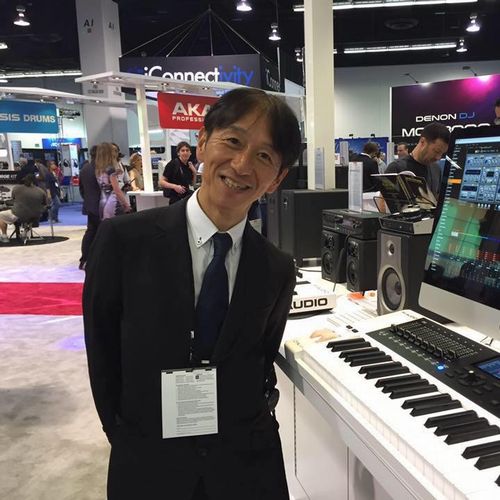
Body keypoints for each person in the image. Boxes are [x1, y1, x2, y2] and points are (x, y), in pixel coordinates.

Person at [83, 87, 301, 500]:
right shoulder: (124, 242)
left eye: (264, 156)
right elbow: (102, 351)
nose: (242, 165)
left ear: (277, 179)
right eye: (233, 141)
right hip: (149, 463)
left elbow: (259, 361)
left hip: (246, 467)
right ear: (202, 143)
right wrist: (125, 436)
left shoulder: (275, 268)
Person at [386, 122, 450, 199]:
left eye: (442, 153)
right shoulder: (396, 168)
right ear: (423, 142)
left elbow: (437, 197)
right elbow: (383, 203)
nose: (438, 157)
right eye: (436, 151)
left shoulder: (436, 169)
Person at [0, 173, 47, 243]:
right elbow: (45, 204)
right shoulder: (41, 191)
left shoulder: (17, 188)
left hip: (19, 215)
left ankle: (4, 236)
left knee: (1, 215)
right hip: (36, 216)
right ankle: (25, 232)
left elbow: (13, 199)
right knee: (29, 215)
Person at [95, 142, 132, 220]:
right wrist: (126, 204)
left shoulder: (99, 169)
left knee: (106, 224)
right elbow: (116, 190)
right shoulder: (111, 169)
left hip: (102, 201)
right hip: (113, 203)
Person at [79, 146, 100, 270]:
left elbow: (81, 189)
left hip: (89, 205)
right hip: (100, 206)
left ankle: (84, 259)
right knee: (99, 233)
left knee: (90, 233)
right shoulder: (100, 169)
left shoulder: (84, 169)